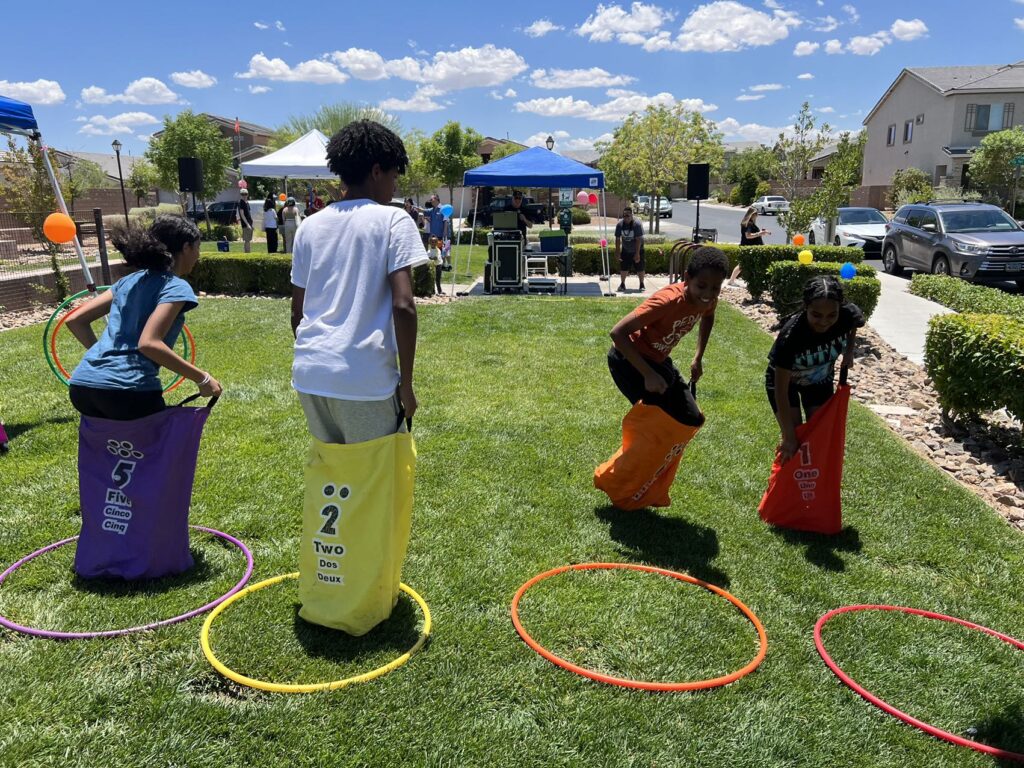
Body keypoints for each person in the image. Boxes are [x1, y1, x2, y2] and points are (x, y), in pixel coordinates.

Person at [290, 119, 427, 444]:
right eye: (394, 176)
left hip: (310, 373)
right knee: (375, 481)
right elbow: (404, 305)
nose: (394, 187)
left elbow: (297, 314)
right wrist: (406, 385)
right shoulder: (393, 219)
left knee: (335, 479)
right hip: (364, 378)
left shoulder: (309, 226)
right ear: (377, 171)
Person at [65, 215, 223, 421]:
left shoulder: (128, 281)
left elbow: (75, 320)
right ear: (186, 247)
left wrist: (103, 361)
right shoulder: (175, 286)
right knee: (155, 452)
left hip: (83, 385)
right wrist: (202, 379)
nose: (198, 255)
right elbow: (149, 344)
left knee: (112, 452)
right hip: (129, 391)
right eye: (197, 247)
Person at [607, 246, 729, 426]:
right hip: (627, 360)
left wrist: (698, 357)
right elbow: (617, 333)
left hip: (657, 359)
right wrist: (648, 374)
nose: (708, 294)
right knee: (657, 422)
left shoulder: (708, 301)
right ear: (687, 278)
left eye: (715, 288)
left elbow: (708, 316)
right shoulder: (668, 301)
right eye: (702, 286)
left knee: (692, 418)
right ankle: (639, 453)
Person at [766, 276, 863, 463]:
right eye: (816, 315)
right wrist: (788, 436)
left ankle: (813, 486)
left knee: (818, 435)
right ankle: (783, 486)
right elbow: (780, 392)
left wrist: (849, 351)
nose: (824, 322)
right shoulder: (791, 336)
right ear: (806, 307)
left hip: (819, 381)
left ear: (839, 308)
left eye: (831, 315)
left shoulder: (847, 315)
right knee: (794, 438)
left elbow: (854, 324)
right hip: (787, 386)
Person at [729, 206, 771, 286]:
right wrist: (760, 233)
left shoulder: (751, 224)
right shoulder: (748, 224)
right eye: (756, 214)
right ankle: (731, 280)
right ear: (751, 215)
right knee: (742, 265)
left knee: (746, 264)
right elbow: (748, 236)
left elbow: (754, 234)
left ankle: (735, 280)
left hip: (752, 247)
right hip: (748, 247)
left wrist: (762, 232)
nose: (757, 215)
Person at [615, 206, 645, 292]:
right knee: (624, 267)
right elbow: (617, 239)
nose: (626, 217)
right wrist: (617, 252)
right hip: (626, 249)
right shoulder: (620, 225)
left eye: (628, 215)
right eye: (624, 215)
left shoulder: (637, 224)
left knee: (640, 267)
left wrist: (637, 253)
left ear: (632, 215)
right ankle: (622, 284)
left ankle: (641, 284)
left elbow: (639, 239)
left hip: (638, 249)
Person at [236, 188, 254, 253]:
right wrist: (247, 224)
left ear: (247, 194)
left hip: (249, 223)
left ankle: (247, 252)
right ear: (241, 195)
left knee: (248, 239)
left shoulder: (246, 202)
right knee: (247, 240)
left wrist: (251, 223)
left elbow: (249, 213)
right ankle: (247, 253)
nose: (244, 195)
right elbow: (242, 214)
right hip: (246, 224)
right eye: (243, 194)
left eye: (245, 194)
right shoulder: (241, 202)